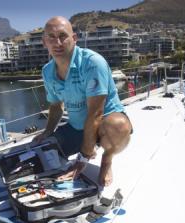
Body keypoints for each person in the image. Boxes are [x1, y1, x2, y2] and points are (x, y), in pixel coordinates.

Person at [33, 16, 132, 186]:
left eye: (63, 36)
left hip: (103, 124)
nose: (57, 42)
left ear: (74, 38)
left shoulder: (92, 63)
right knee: (41, 155)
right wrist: (47, 132)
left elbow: (96, 113)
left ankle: (107, 159)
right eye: (51, 37)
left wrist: (82, 161)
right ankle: (82, 146)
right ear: (44, 42)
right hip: (77, 126)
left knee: (119, 126)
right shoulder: (47, 71)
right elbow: (56, 105)